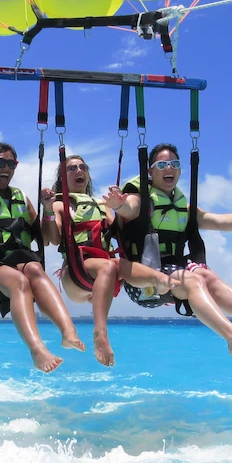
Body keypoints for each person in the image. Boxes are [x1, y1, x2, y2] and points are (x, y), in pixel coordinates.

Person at [111, 143, 232, 357]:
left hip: (174, 271)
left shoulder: (183, 208)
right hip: (142, 282)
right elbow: (128, 207)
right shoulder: (140, 200)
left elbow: (222, 221)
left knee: (206, 275)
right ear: (150, 171)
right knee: (194, 280)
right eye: (162, 164)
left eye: (174, 164)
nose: (169, 168)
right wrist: (118, 205)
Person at [0, 142, 86, 372]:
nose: (7, 168)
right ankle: (37, 350)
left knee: (34, 269)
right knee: (20, 281)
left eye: (11, 164)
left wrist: (49, 209)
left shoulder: (21, 198)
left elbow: (46, 239)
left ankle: (67, 332)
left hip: (21, 263)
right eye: (0, 163)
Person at [41, 155, 181, 368]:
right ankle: (100, 333)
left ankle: (160, 280)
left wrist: (120, 204)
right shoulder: (60, 204)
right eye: (71, 168)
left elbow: (121, 231)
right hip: (77, 273)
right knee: (108, 266)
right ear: (62, 177)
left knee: (115, 264)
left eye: (83, 167)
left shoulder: (101, 205)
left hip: (103, 275)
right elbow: (51, 239)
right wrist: (49, 210)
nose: (79, 171)